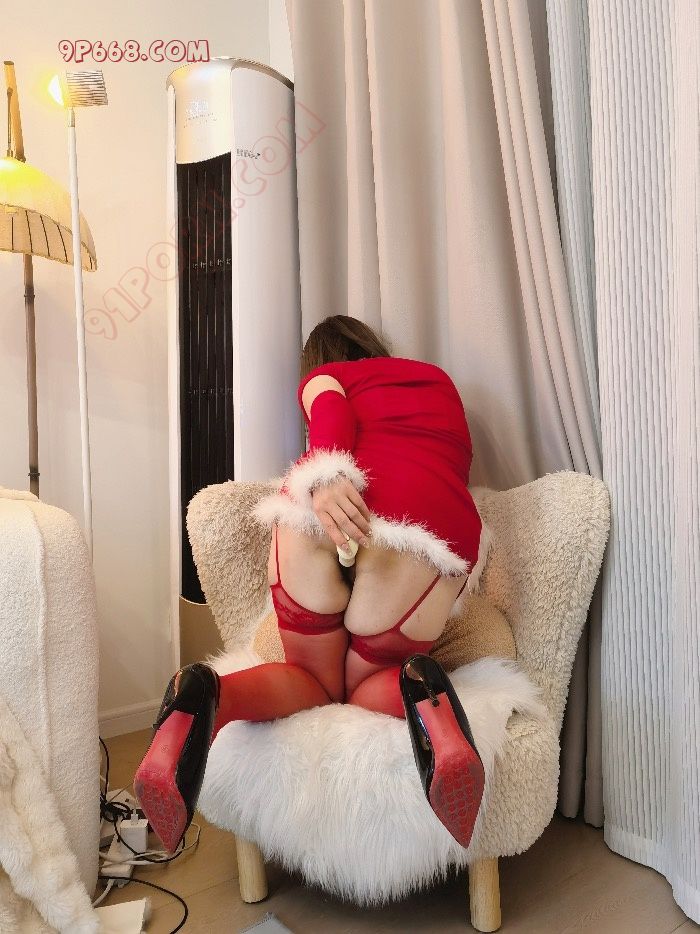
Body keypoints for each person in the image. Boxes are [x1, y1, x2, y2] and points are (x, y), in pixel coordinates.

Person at [134, 316, 491, 855]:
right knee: (369, 683)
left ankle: (207, 695)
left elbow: (329, 409)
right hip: (417, 532)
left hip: (314, 514)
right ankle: (422, 696)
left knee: (315, 682)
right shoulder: (437, 383)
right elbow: (449, 470)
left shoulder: (327, 378)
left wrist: (323, 478)